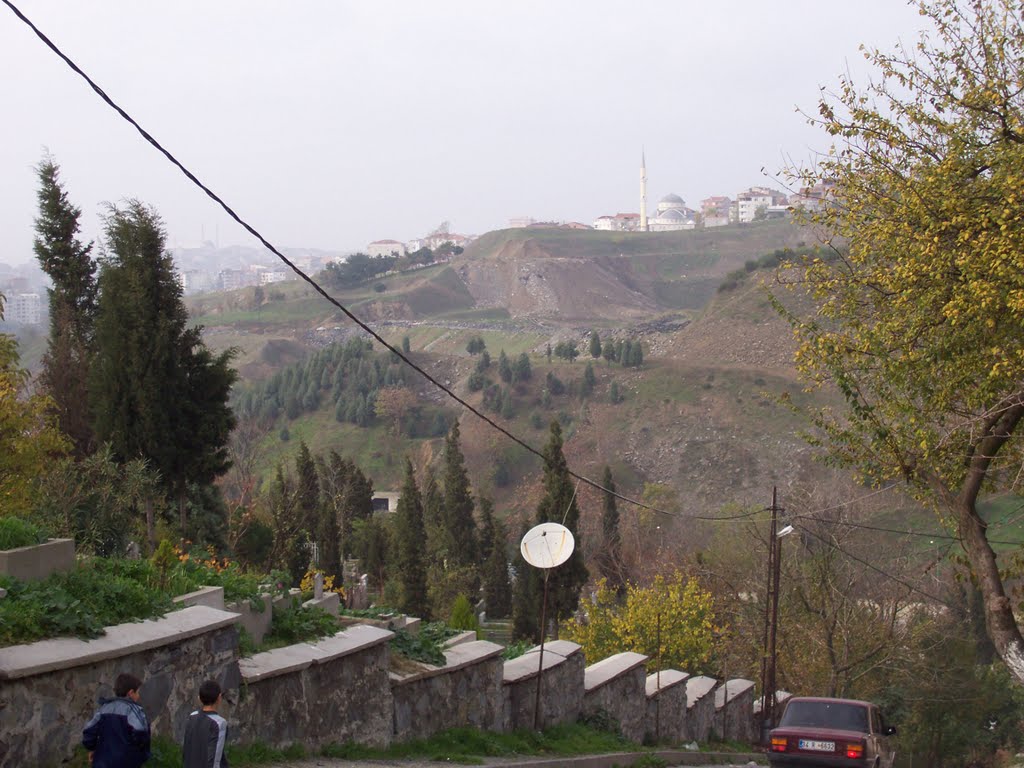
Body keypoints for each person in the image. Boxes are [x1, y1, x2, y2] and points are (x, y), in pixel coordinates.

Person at [81, 672, 151, 767]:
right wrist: (139, 753)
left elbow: (89, 731)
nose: (138, 696)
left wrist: (93, 748)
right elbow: (140, 731)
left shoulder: (103, 708)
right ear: (130, 693)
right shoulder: (134, 710)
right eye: (137, 692)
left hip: (102, 762)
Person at [182, 679, 229, 768]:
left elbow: (186, 749)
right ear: (219, 698)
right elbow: (215, 757)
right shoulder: (219, 723)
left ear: (199, 698)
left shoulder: (192, 717)